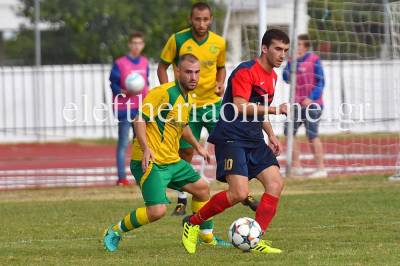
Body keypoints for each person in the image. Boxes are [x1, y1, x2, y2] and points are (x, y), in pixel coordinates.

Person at [103, 54, 229, 253]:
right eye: (188, 72)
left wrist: (197, 146)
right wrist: (146, 149)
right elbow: (139, 119)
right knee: (157, 211)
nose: (193, 77)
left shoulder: (187, 97)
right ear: (177, 72)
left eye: (197, 72)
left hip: (172, 161)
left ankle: (207, 237)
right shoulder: (163, 92)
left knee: (202, 189)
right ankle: (114, 231)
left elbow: (183, 125)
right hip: (150, 162)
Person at [180, 29, 290, 254]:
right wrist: (275, 109)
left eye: (286, 50)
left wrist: (270, 133)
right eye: (278, 49)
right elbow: (240, 106)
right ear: (264, 48)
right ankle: (192, 222)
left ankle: (256, 238)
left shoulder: (273, 77)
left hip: (254, 138)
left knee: (276, 184)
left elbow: (258, 110)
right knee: (239, 193)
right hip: (232, 137)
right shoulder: (245, 71)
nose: (282, 55)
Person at [157, 1, 259, 216]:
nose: (202, 23)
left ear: (211, 20)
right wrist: (168, 90)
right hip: (188, 106)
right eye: (197, 19)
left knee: (229, 143)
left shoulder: (218, 43)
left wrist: (221, 83)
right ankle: (182, 198)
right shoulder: (177, 39)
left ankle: (242, 190)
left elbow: (221, 69)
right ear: (190, 19)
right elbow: (162, 66)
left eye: (205, 19)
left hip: (213, 105)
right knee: (185, 150)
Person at [282, 33, 327, 178]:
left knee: (312, 135)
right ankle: (296, 167)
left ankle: (321, 169)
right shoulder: (292, 61)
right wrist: (290, 63)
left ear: (306, 47)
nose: (296, 47)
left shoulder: (314, 60)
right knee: (289, 132)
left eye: (299, 44)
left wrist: (311, 98)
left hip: (313, 105)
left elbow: (321, 82)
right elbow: (286, 78)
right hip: (296, 105)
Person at [109, 32, 149, 186]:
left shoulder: (145, 62)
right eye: (134, 43)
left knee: (142, 142)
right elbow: (113, 84)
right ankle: (121, 178)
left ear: (143, 45)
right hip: (124, 108)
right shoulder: (120, 63)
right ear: (129, 44)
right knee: (124, 143)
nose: (136, 46)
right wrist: (122, 91)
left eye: (139, 43)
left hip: (141, 108)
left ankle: (142, 177)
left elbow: (147, 83)